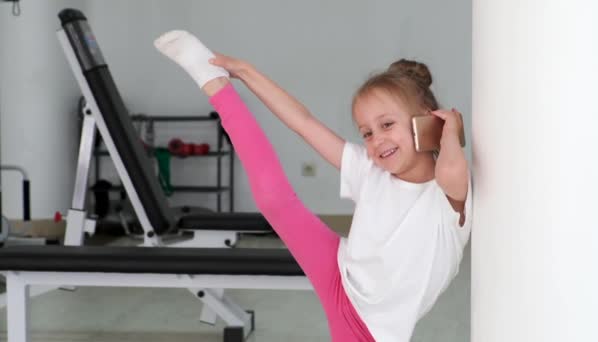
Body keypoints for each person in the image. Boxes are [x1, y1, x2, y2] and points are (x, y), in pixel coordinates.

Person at [154, 30, 472, 342]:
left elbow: (451, 170)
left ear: (426, 121)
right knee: (272, 200)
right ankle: (215, 83)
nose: (377, 141)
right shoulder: (370, 170)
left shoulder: (445, 196)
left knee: (272, 201)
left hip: (369, 331)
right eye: (367, 132)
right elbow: (303, 122)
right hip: (337, 271)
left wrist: (450, 129)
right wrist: (246, 72)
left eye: (387, 124)